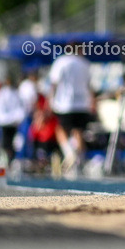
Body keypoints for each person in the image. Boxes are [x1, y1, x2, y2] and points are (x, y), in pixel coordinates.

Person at [48, 42, 94, 171]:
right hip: (82, 103)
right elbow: (90, 86)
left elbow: (54, 83)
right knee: (78, 131)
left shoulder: (61, 62)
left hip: (65, 103)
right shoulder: (85, 63)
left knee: (60, 129)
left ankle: (69, 153)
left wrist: (50, 100)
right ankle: (79, 160)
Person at [0, 74, 27, 166]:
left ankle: (10, 159)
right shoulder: (3, 93)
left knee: (10, 142)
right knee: (5, 142)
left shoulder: (14, 93)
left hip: (10, 122)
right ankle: (5, 158)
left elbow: (19, 108)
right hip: (6, 122)